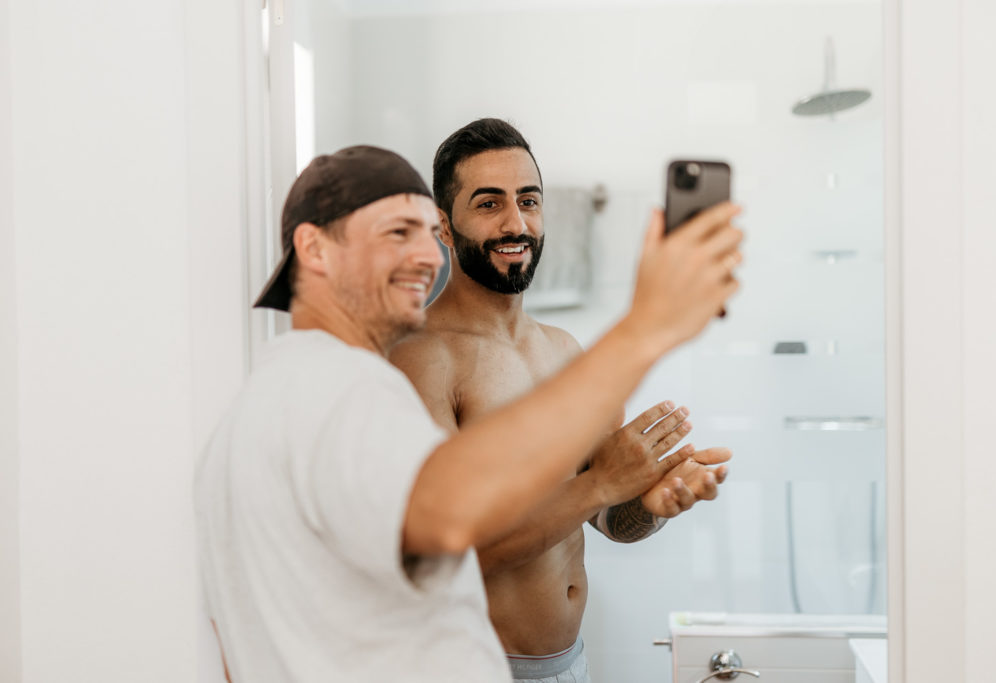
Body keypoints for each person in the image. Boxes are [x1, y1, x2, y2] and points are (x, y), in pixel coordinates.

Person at [194, 144, 742, 682]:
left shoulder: (278, 398)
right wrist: (645, 329)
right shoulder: (346, 389)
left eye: (424, 233)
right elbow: (453, 530)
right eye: (396, 233)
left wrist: (643, 498)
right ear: (314, 249)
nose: (429, 255)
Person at [389, 119, 733, 683]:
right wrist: (601, 481)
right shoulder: (422, 359)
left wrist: (654, 503)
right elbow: (443, 562)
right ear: (444, 228)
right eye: (489, 204)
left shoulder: (564, 351)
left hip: (572, 664)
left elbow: (606, 519)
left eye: (528, 200)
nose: (516, 223)